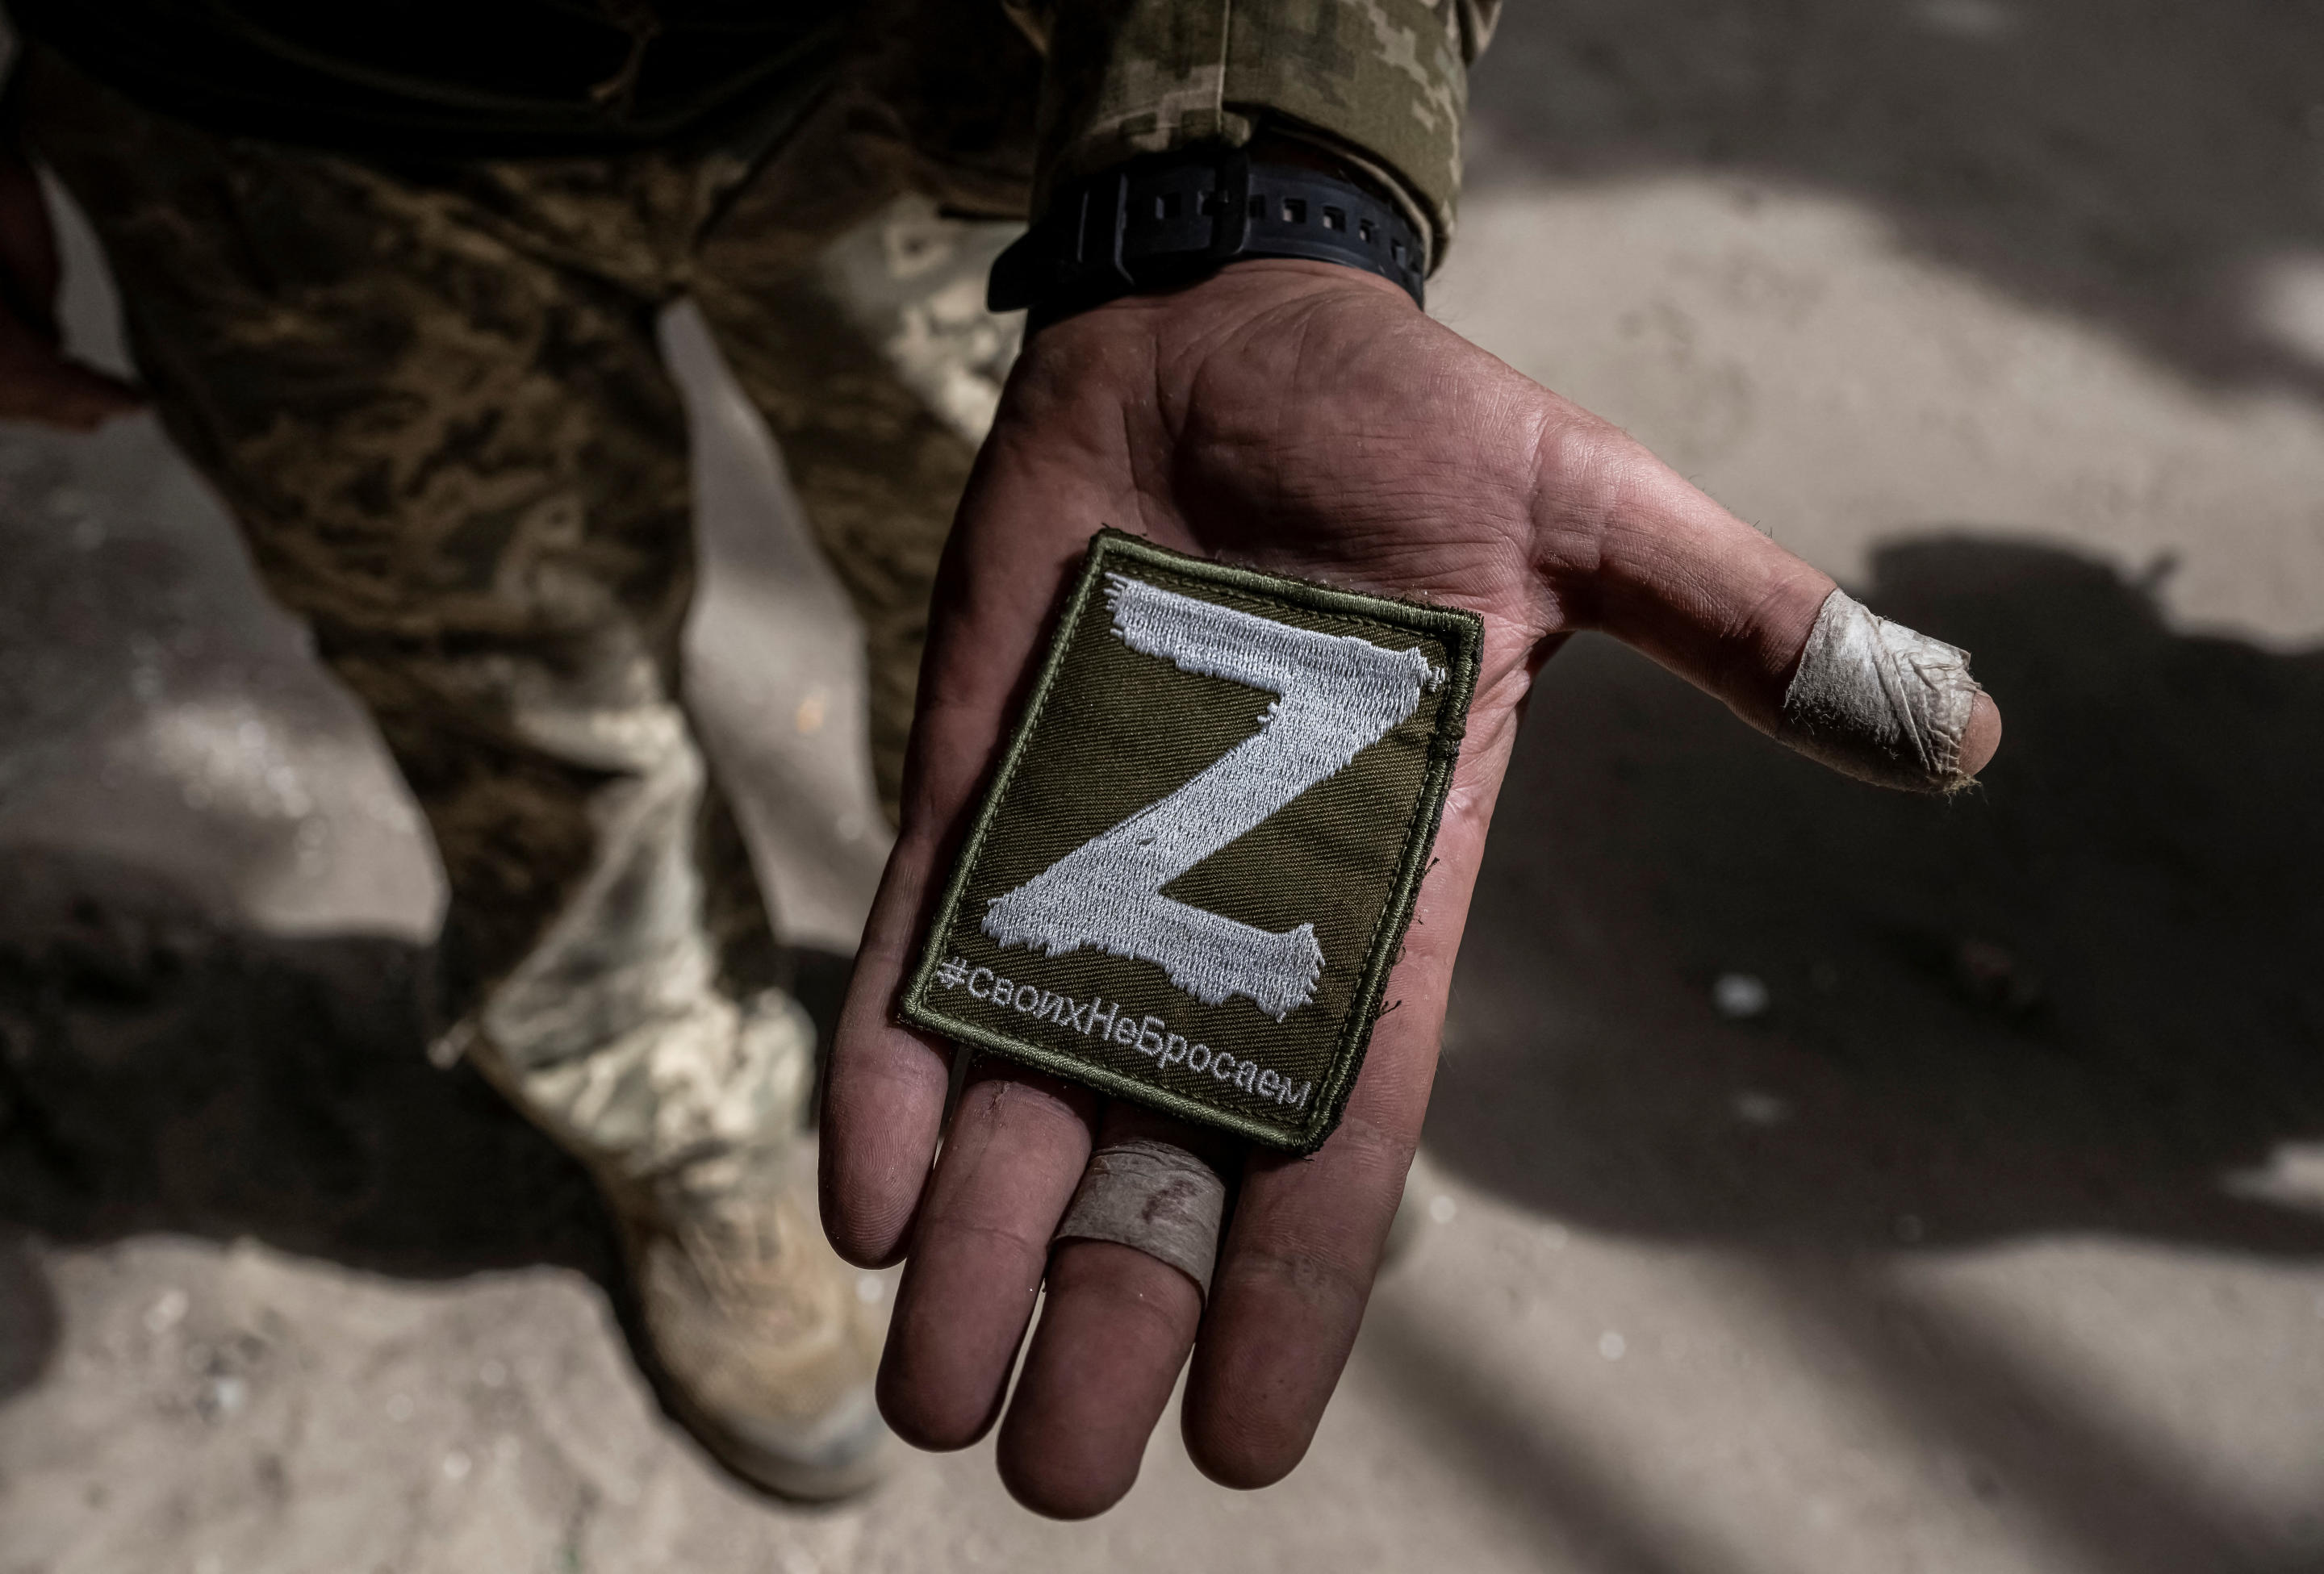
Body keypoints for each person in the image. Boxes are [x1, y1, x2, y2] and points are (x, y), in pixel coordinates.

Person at [0, 0, 2000, 1518]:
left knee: (1016, 649)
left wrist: (1263, 159)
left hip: (932, 87)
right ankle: (684, 1128)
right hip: (252, 121)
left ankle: (1145, 1030)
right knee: (514, 709)